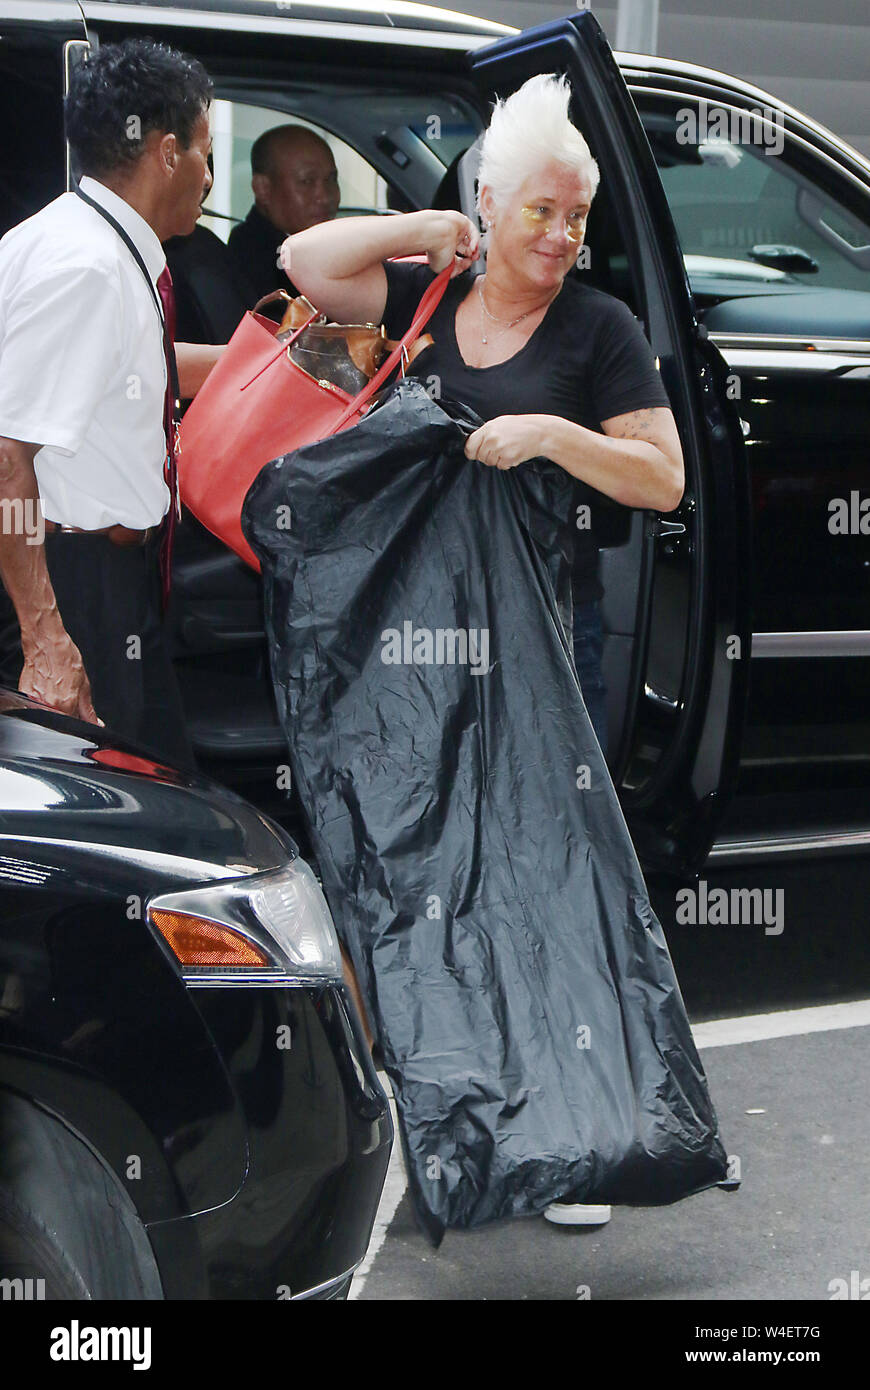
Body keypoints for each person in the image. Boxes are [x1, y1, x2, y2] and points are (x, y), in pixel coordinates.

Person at [282, 73, 686, 1228]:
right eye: (541, 212)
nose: (562, 237)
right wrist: (424, 227)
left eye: (578, 218)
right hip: (415, 652)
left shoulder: (600, 329)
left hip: (543, 648)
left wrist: (554, 433)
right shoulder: (431, 287)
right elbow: (312, 262)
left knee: (548, 881)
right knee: (428, 884)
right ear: (492, 203)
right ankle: (455, 1120)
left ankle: (575, 1143)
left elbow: (662, 477)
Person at [0, 38, 225, 768]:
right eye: (204, 152)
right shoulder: (87, 268)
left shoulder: (85, 240)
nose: (210, 176)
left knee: (156, 795)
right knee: (134, 820)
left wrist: (274, 364)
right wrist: (47, 642)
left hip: (106, 585)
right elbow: (7, 456)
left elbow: (130, 371)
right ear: (165, 153)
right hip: (75, 589)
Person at [227, 125, 341, 304]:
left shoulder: (322, 244)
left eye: (331, 180)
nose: (324, 196)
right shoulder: (255, 258)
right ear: (263, 188)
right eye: (307, 182)